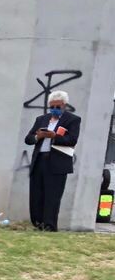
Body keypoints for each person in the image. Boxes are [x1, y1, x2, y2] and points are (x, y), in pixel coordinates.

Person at [24, 90, 81, 231]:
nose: (55, 110)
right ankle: (37, 223)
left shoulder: (72, 120)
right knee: (36, 193)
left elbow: (72, 140)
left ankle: (49, 225)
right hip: (39, 161)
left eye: (58, 107)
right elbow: (28, 139)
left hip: (57, 162)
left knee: (52, 195)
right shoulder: (41, 119)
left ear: (64, 106)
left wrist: (54, 136)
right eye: (52, 107)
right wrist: (39, 136)